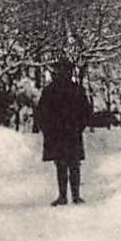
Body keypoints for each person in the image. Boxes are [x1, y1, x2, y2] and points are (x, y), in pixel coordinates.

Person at [36, 58, 91, 206]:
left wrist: (47, 129)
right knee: (71, 165)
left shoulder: (54, 90)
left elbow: (85, 112)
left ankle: (66, 196)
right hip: (67, 133)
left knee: (65, 164)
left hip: (61, 133)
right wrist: (79, 127)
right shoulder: (74, 89)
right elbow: (42, 113)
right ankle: (73, 196)